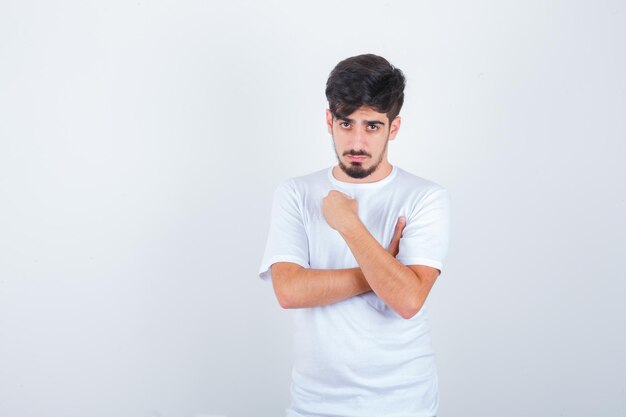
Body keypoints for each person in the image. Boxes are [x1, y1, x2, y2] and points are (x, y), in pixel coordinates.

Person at [258, 54, 451, 417]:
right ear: (329, 120)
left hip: (402, 403)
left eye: (373, 126)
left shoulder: (425, 197)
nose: (357, 142)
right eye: (346, 124)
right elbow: (289, 291)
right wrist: (383, 272)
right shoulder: (296, 193)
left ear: (393, 128)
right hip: (314, 404)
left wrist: (348, 224)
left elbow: (409, 300)